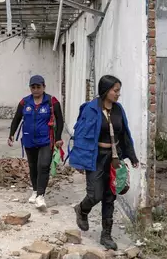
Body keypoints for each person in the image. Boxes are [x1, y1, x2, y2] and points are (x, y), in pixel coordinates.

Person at [69, 75, 139, 251]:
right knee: (95, 194)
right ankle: (82, 209)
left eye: (118, 91)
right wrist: (79, 160)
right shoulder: (91, 109)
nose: (118, 94)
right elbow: (80, 135)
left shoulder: (118, 109)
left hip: (114, 158)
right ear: (106, 90)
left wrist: (132, 156)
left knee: (110, 196)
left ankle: (106, 235)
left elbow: (125, 134)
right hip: (96, 156)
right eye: (115, 90)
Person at [8, 74, 64, 210]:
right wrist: (11, 134)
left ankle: (40, 196)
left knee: (43, 165)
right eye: (33, 87)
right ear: (30, 88)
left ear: (44, 87)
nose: (36, 90)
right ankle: (35, 191)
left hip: (46, 140)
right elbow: (17, 118)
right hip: (29, 139)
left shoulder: (52, 101)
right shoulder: (24, 102)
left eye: (38, 87)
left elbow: (60, 120)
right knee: (33, 166)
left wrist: (58, 138)